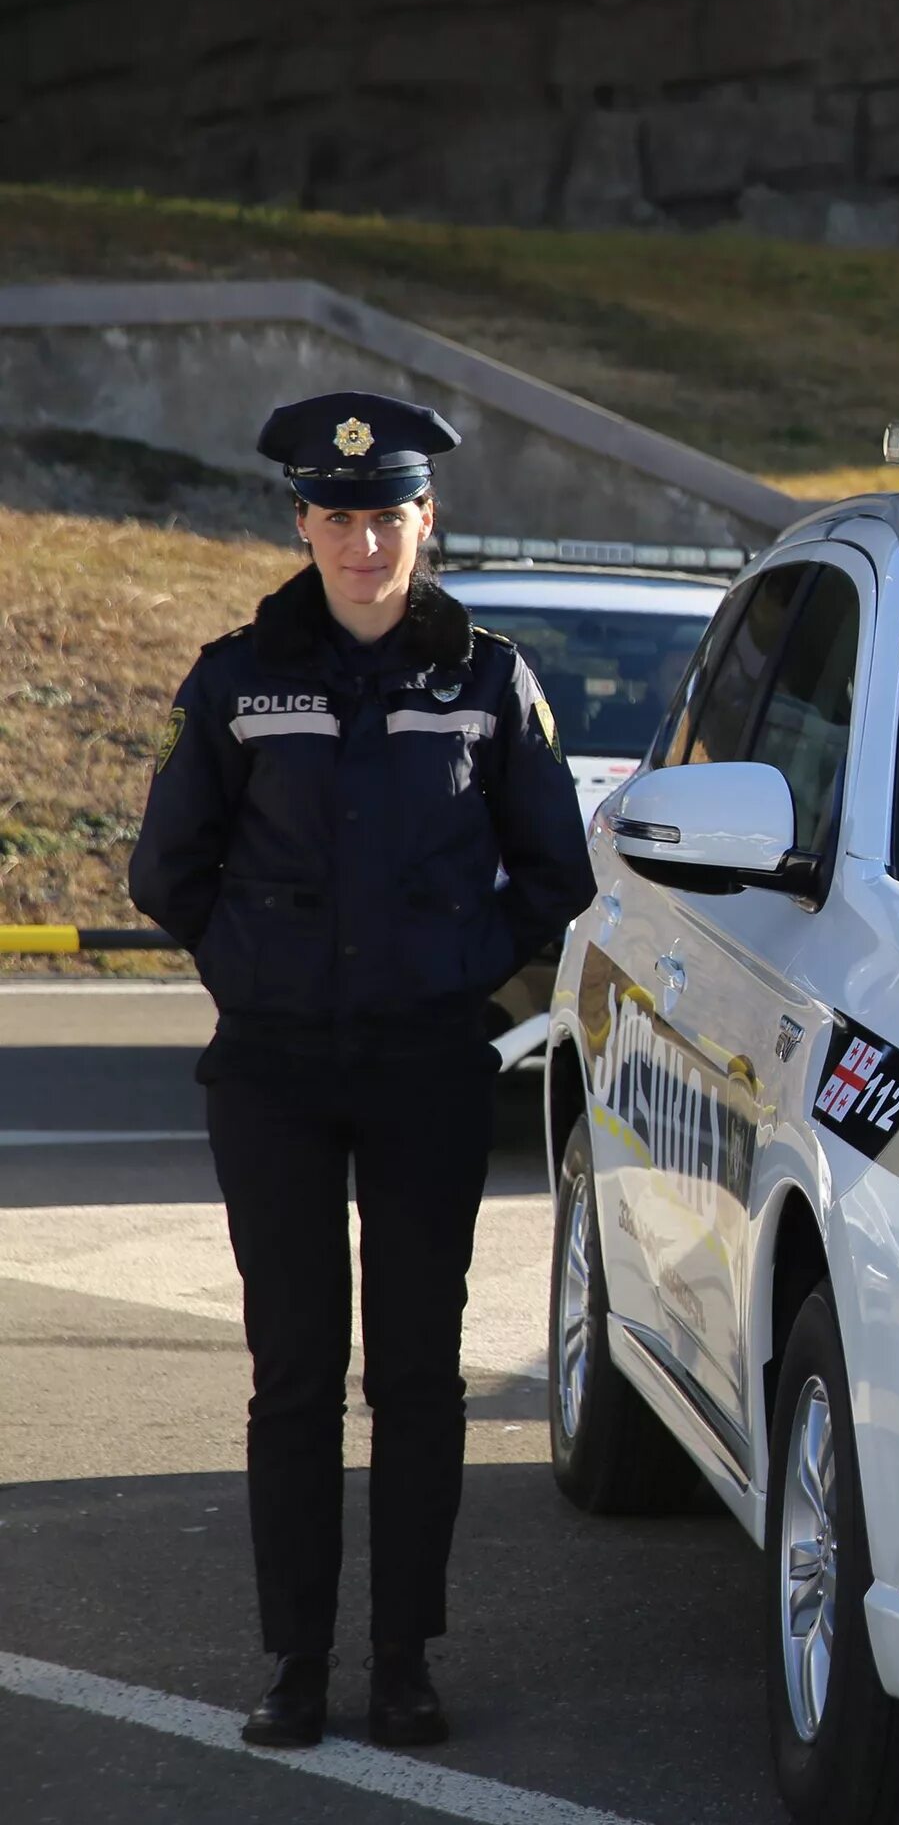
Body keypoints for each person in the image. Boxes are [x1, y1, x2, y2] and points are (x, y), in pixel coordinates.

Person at [128, 392, 594, 1749]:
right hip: (272, 1074)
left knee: (417, 1377)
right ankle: (294, 1665)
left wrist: (456, 969)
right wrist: (255, 969)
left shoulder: (491, 683)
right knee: (291, 1375)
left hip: (423, 1074)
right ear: (302, 523)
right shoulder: (236, 680)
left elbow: (555, 876)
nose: (360, 541)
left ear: (424, 520)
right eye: (335, 516)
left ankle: (403, 1664)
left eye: (384, 514)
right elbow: (168, 873)